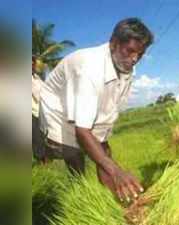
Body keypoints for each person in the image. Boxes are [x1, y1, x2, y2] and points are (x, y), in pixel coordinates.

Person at [38, 18, 153, 203]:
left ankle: (116, 200)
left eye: (140, 54)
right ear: (114, 43)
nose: (134, 59)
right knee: (74, 154)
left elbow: (108, 108)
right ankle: (81, 193)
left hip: (92, 108)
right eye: (130, 51)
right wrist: (116, 171)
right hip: (59, 111)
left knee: (104, 153)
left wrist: (108, 161)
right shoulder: (89, 68)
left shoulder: (125, 64)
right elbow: (82, 130)